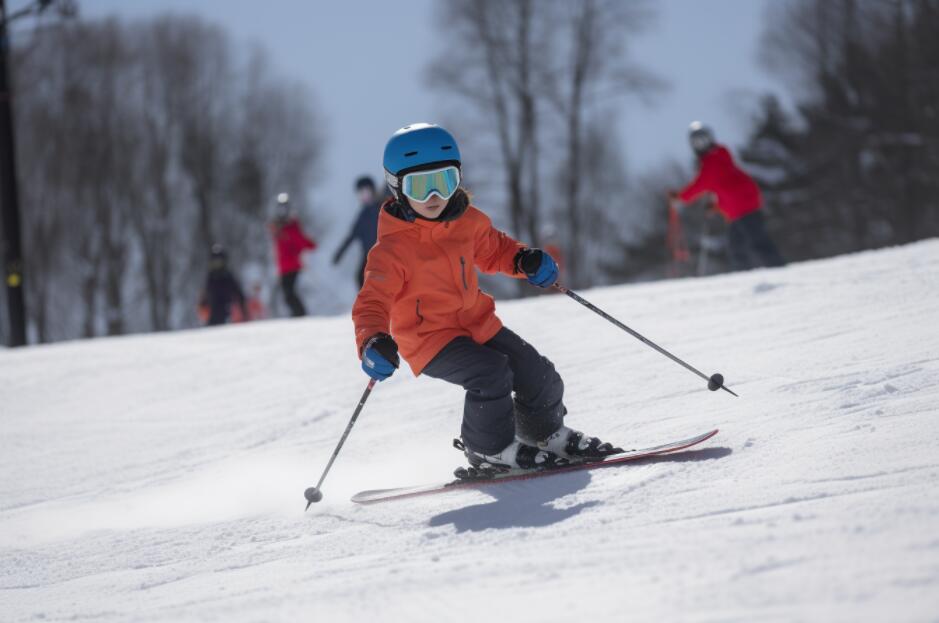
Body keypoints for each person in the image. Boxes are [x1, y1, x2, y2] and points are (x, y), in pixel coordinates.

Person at [351, 123, 617, 473]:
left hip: (476, 323)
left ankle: (545, 434)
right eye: (420, 185)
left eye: (444, 181)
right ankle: (487, 449)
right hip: (428, 338)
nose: (434, 196)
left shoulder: (467, 222)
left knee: (537, 372)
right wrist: (372, 340)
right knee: (491, 374)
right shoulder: (392, 250)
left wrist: (524, 259)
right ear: (397, 188)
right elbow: (372, 301)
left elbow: (496, 250)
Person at [669, 121, 786, 271]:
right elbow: (725, 188)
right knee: (737, 247)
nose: (701, 145)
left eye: (703, 140)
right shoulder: (716, 158)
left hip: (744, 207)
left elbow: (700, 184)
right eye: (696, 142)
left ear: (710, 139)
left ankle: (778, 269)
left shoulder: (713, 161)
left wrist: (679, 197)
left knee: (757, 242)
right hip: (739, 209)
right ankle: (744, 274)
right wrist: (716, 206)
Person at [269, 193, 317, 317]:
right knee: (287, 294)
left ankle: (301, 314)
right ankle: (298, 314)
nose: (282, 211)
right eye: (280, 208)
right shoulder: (277, 227)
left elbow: (302, 241)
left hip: (292, 265)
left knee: (289, 293)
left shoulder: (292, 226)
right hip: (283, 266)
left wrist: (310, 244)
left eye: (284, 208)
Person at [332, 176, 381, 289]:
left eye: (366, 193)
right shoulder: (362, 215)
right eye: (361, 194)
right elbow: (352, 235)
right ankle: (368, 304)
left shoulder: (382, 208)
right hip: (368, 254)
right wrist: (340, 253)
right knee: (360, 277)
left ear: (373, 191)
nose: (364, 197)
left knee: (381, 277)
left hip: (383, 251)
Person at [199, 244, 248, 326]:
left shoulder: (228, 276)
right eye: (215, 261)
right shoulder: (211, 277)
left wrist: (243, 309)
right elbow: (205, 294)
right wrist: (203, 304)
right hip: (214, 311)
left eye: (219, 261)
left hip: (228, 311)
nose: (217, 264)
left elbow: (239, 293)